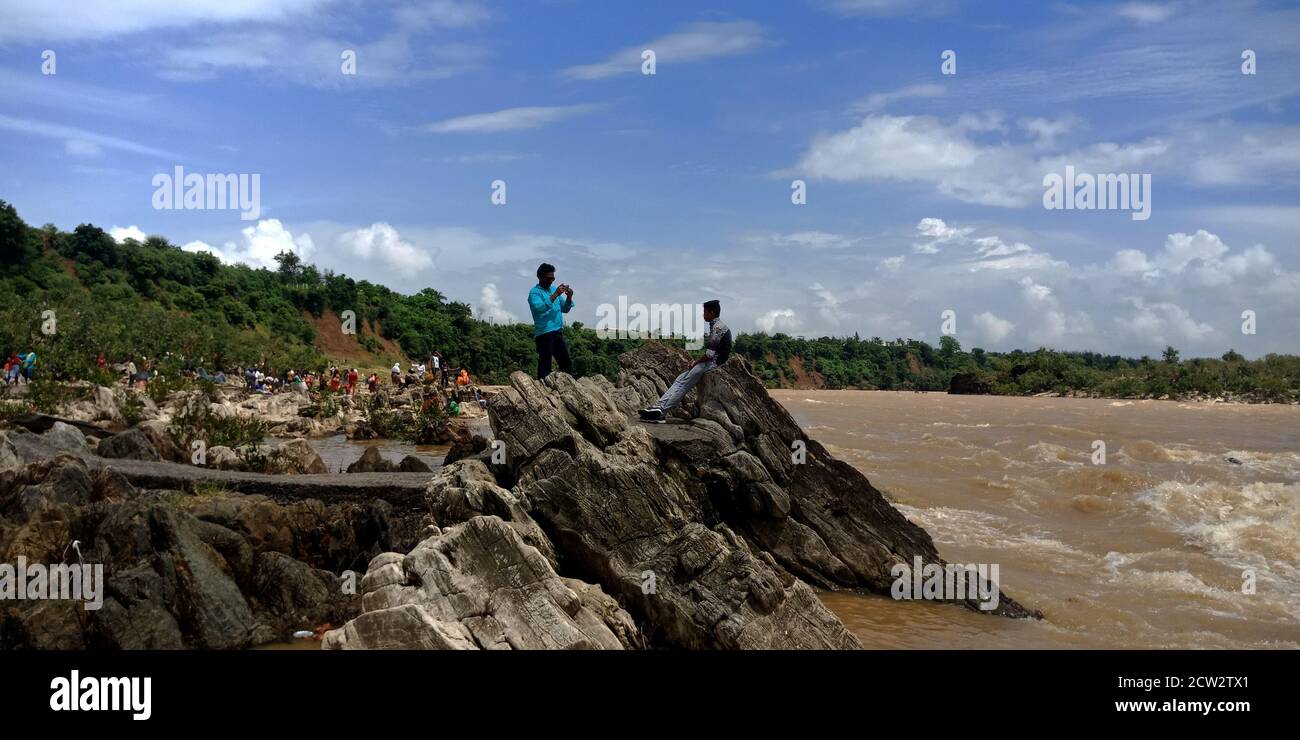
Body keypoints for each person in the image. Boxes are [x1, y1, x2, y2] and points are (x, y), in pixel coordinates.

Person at [639, 300, 732, 422]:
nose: (703, 315)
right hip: (710, 362)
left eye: (704, 312)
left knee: (684, 384)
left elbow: (710, 354)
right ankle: (657, 407)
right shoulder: (716, 325)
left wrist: (695, 362)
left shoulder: (718, 328)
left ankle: (661, 413)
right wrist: (697, 362)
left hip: (714, 363)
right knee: (679, 380)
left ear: (712, 312)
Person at [528, 262, 575, 380]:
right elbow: (539, 309)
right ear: (540, 277)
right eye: (549, 278)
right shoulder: (534, 292)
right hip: (544, 334)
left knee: (566, 363)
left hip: (557, 332)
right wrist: (555, 295)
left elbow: (565, 308)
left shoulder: (554, 290)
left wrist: (569, 297)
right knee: (545, 365)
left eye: (553, 278)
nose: (551, 281)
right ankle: (542, 391)